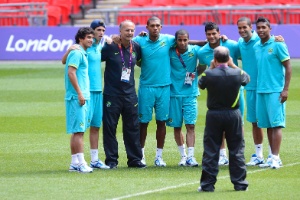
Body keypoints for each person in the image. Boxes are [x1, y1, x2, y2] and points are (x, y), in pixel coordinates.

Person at [198, 46, 249, 192]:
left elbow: (201, 85)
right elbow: (247, 79)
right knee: (237, 148)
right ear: (229, 58)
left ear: (214, 59)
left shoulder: (208, 74)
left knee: (211, 149)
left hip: (214, 115)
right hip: (233, 114)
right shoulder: (237, 72)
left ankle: (207, 185)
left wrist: (212, 67)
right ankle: (240, 184)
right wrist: (233, 65)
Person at [62, 20, 110, 169]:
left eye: (103, 30)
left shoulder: (99, 47)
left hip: (96, 91)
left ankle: (92, 160)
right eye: (98, 30)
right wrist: (69, 50)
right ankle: (79, 162)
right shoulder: (79, 50)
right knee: (79, 129)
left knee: (95, 126)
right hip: (83, 93)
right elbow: (66, 64)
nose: (101, 33)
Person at [101, 20, 146, 169]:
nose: (130, 33)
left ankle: (134, 160)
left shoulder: (136, 47)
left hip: (130, 95)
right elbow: (95, 57)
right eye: (127, 30)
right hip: (111, 95)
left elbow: (139, 61)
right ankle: (111, 161)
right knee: (110, 128)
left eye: (132, 30)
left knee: (133, 128)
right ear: (120, 31)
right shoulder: (109, 46)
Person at [197, 21, 243, 166]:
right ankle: (223, 155)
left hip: (235, 92)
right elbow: (201, 68)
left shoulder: (232, 45)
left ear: (219, 33)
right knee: (220, 126)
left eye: (214, 33)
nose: (211, 36)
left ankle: (238, 154)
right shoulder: (202, 52)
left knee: (237, 125)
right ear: (205, 35)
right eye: (208, 34)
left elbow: (247, 52)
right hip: (216, 94)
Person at [133, 16, 176, 167]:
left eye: (158, 25)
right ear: (147, 27)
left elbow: (187, 41)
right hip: (146, 88)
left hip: (164, 87)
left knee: (161, 122)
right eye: (152, 26)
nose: (155, 28)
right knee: (143, 122)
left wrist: (212, 42)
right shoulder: (139, 41)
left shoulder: (169, 40)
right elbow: (124, 42)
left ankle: (159, 156)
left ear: (161, 27)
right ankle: (141, 155)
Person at [253, 17, 292, 169]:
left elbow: (288, 66)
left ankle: (275, 158)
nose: (261, 30)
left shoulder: (278, 44)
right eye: (259, 28)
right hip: (260, 90)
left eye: (264, 27)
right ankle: (272, 157)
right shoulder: (257, 46)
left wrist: (286, 89)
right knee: (268, 125)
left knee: (276, 125)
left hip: (275, 90)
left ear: (270, 28)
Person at [167, 29, 206, 167]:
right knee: (176, 126)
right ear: (176, 40)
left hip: (190, 94)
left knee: (190, 125)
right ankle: (183, 156)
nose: (183, 43)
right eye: (180, 40)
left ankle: (191, 156)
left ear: (188, 40)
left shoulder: (195, 50)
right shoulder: (170, 50)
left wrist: (195, 73)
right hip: (173, 94)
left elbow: (203, 65)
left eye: (185, 40)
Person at [65, 27, 94, 173]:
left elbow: (63, 61)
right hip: (78, 97)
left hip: (81, 95)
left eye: (92, 37)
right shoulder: (77, 53)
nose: (91, 40)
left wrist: (68, 50)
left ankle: (74, 162)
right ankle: (81, 163)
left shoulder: (78, 52)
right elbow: (71, 73)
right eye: (88, 37)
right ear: (80, 39)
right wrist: (80, 94)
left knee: (78, 131)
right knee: (79, 131)